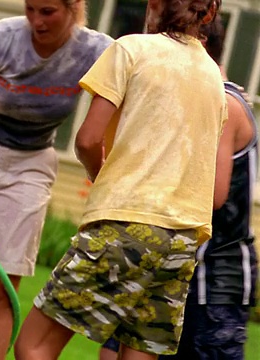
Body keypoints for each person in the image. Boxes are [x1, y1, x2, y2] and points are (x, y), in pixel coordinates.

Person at [14, 0, 227, 359]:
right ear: (207, 14)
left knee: (33, 346)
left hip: (125, 223)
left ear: (154, 5)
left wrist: (102, 178)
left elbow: (86, 139)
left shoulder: (131, 48)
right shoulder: (214, 78)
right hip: (183, 241)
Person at [0, 1, 113, 358]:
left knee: (1, 283)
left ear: (74, 8)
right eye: (30, 9)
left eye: (48, 11)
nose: (36, 20)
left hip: (32, 160)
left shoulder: (97, 52)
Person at [98, 12, 259, 360]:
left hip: (213, 275)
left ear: (198, 43)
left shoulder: (224, 103)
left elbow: (214, 196)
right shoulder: (181, 98)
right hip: (159, 250)